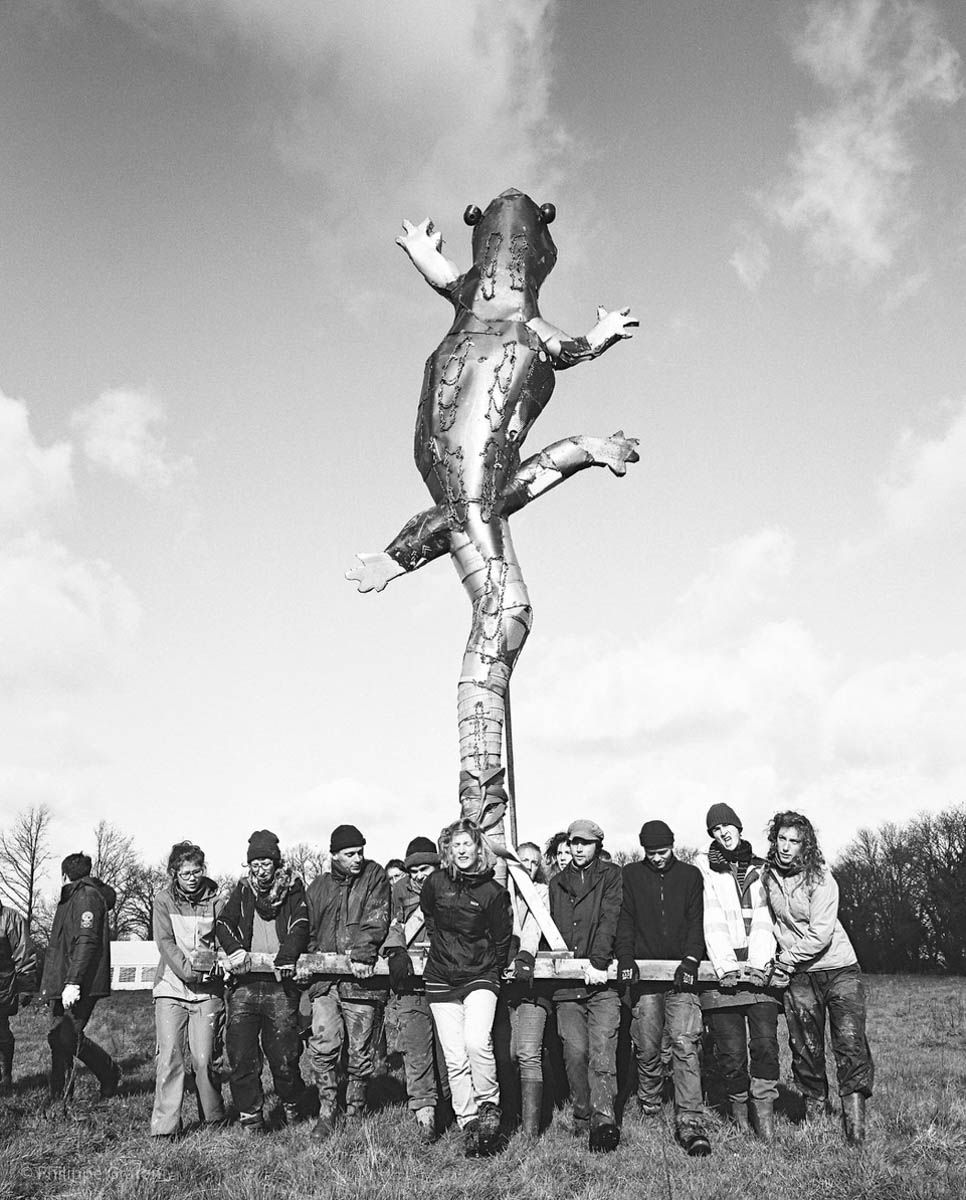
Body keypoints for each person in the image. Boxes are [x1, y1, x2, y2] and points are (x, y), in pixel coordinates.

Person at [762, 811, 874, 1145]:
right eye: (781, 839)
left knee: (850, 1044)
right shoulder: (768, 877)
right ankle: (817, 1124)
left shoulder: (821, 879)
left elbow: (821, 934)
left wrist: (784, 959)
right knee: (805, 1049)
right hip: (800, 977)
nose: (786, 847)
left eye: (794, 841)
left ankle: (856, 1135)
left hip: (838, 969)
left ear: (805, 845)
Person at [615, 820, 710, 1157]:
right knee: (648, 1043)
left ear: (673, 846)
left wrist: (690, 959)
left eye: (663, 852)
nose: (657, 858)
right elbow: (624, 920)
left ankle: (690, 1118)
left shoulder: (690, 876)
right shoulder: (631, 876)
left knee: (685, 1042)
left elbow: (697, 921)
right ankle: (650, 1101)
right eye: (651, 853)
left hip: (681, 973)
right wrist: (626, 957)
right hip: (645, 974)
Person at [420, 819, 513, 1157]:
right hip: (441, 977)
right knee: (455, 1056)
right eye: (455, 845)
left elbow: (502, 938)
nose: (461, 851)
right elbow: (429, 916)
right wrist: (444, 951)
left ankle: (489, 1107)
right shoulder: (435, 883)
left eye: (467, 845)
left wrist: (491, 968)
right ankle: (469, 1122)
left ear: (478, 848)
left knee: (476, 1042)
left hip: (480, 974)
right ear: (448, 850)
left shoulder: (492, 892)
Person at [215, 829, 310, 1135]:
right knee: (242, 1055)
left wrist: (288, 954)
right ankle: (250, 1115)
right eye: (254, 863)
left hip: (280, 984)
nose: (260, 869)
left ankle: (293, 1102)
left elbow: (301, 923)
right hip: (245, 985)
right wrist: (234, 949)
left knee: (284, 1056)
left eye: (266, 861)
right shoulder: (242, 891)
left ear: (275, 861)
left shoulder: (292, 887)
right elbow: (223, 924)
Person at [696, 803, 781, 1141]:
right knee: (730, 1054)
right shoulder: (704, 868)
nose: (723, 833)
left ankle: (765, 1123)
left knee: (765, 1046)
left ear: (739, 827)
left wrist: (759, 965)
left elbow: (766, 919)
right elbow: (710, 919)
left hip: (760, 973)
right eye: (716, 830)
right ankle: (740, 1118)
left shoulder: (765, 867)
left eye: (727, 826)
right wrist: (726, 966)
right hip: (722, 975)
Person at [300, 824, 390, 1142]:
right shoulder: (319, 886)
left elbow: (377, 917)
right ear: (334, 855)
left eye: (360, 852)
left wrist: (364, 952)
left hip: (362, 983)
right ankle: (327, 1112)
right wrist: (310, 962)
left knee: (361, 1050)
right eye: (350, 854)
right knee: (324, 1044)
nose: (357, 858)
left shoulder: (375, 876)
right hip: (325, 982)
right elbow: (306, 928)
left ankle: (356, 1109)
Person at [548, 819, 622, 1152]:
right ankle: (581, 1115)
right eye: (574, 842)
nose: (578, 848)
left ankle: (603, 1121)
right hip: (566, 987)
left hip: (601, 983)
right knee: (575, 1053)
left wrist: (599, 961)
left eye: (585, 843)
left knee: (603, 1053)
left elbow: (610, 918)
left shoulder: (611, 876)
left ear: (597, 846)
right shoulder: (556, 883)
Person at [150, 840, 226, 1138]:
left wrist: (215, 967)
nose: (192, 877)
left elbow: (222, 943)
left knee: (205, 1059)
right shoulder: (162, 900)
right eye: (185, 873)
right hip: (171, 985)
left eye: (197, 871)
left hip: (208, 991)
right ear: (173, 873)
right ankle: (165, 1127)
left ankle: (214, 1118)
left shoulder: (218, 901)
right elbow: (165, 942)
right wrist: (190, 971)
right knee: (170, 1055)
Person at [380, 835, 449, 1141]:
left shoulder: (450, 885)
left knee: (448, 1052)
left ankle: (452, 1111)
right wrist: (395, 951)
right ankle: (426, 1119)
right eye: (415, 870)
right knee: (416, 1049)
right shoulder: (398, 891)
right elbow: (391, 925)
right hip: (411, 986)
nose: (420, 875)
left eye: (426, 868)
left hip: (446, 982)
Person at [40, 852, 120, 1105]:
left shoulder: (85, 896)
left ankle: (108, 1072)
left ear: (64, 874)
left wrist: (73, 982)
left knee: (66, 1036)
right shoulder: (74, 896)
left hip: (79, 982)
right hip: (65, 981)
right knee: (58, 1037)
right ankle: (59, 1097)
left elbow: (86, 941)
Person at [505, 841, 552, 1137]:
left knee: (528, 1051)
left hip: (535, 984)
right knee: (509, 1053)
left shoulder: (543, 893)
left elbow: (535, 928)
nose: (528, 866)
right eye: (522, 860)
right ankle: (513, 1115)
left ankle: (531, 1131)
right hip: (505, 988)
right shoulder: (503, 893)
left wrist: (524, 955)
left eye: (534, 862)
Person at [0, 901, 37, 1095]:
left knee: (1, 1033)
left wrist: (25, 986)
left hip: (2, 988)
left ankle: (5, 1077)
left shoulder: (10, 918)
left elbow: (24, 954)